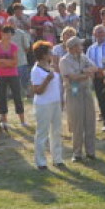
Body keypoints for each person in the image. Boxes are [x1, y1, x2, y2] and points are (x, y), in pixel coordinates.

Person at [59, 36, 98, 162]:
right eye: (79, 45)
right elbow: (73, 77)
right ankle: (77, 153)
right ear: (73, 47)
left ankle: (91, 152)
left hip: (86, 91)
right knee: (77, 124)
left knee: (90, 122)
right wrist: (86, 73)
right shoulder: (64, 60)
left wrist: (85, 71)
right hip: (73, 93)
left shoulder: (83, 57)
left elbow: (95, 68)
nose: (82, 47)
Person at [31, 40, 64, 170]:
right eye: (50, 52)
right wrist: (47, 79)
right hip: (43, 105)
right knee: (42, 133)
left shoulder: (51, 67)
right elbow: (37, 91)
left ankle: (57, 158)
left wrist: (61, 100)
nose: (52, 54)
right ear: (44, 55)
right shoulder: (36, 70)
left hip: (55, 103)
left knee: (56, 131)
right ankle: (40, 161)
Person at [86, 25, 105, 133]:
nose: (100, 34)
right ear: (94, 34)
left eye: (102, 32)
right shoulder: (90, 49)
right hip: (97, 78)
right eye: (97, 32)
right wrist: (97, 72)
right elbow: (88, 64)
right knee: (102, 101)